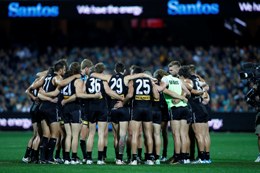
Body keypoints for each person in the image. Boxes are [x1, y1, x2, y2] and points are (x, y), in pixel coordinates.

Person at [77, 63, 124, 165]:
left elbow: (83, 93)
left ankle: (89, 159)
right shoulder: (103, 80)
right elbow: (109, 92)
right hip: (102, 107)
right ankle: (99, 159)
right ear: (102, 71)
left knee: (91, 134)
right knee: (101, 134)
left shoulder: (88, 80)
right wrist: (121, 98)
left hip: (91, 108)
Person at [123, 66, 159, 166]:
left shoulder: (132, 81)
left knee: (135, 135)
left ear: (134, 73)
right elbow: (156, 96)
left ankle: (134, 159)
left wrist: (123, 103)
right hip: (148, 109)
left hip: (137, 109)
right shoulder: (149, 81)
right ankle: (150, 159)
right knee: (148, 135)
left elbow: (130, 95)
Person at [160, 61, 191, 164]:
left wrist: (178, 98)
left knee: (176, 135)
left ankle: (177, 158)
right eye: (169, 67)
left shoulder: (166, 78)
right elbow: (188, 92)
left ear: (178, 69)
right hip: (184, 108)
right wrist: (181, 97)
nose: (170, 68)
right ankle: (184, 158)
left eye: (172, 67)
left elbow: (163, 90)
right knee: (183, 135)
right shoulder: (179, 80)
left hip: (175, 109)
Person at [22, 77, 42, 163]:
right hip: (39, 108)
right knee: (39, 135)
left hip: (33, 107)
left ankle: (27, 156)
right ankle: (34, 156)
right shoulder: (42, 82)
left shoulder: (35, 82)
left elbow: (27, 91)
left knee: (35, 134)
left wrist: (33, 98)